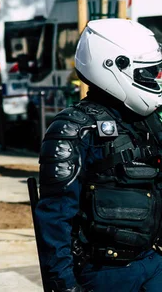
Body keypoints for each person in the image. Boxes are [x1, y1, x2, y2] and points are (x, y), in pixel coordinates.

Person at [34, 18, 162, 292]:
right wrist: (64, 285)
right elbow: (55, 218)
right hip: (104, 272)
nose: (154, 80)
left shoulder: (149, 122)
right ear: (113, 67)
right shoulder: (74, 128)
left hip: (153, 262)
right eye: (147, 73)